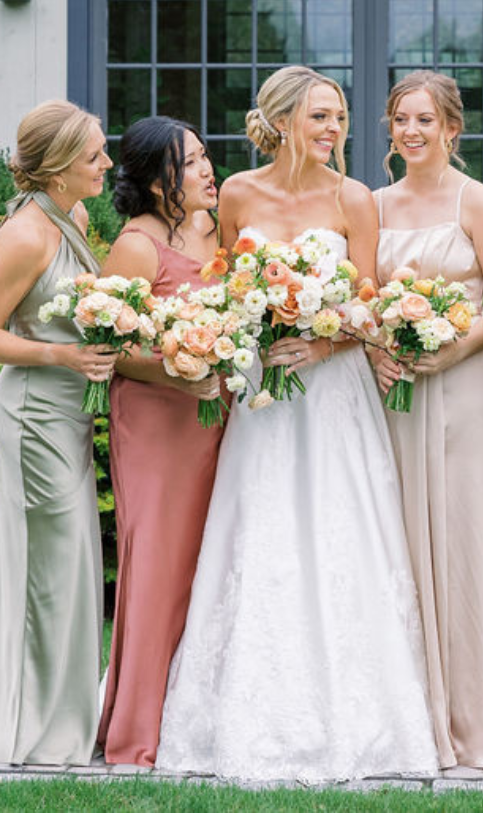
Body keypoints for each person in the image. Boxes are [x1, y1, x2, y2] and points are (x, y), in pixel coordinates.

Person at [156, 65, 437, 781]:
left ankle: (363, 715)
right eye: (319, 117)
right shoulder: (240, 194)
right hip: (262, 397)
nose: (333, 129)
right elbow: (221, 284)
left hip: (335, 393)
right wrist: (238, 333)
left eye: (339, 116)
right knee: (261, 529)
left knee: (341, 532)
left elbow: (368, 306)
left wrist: (322, 340)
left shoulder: (355, 199)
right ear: (282, 121)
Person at [371, 70, 483, 769]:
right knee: (393, 544)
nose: (411, 131)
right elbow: (357, 299)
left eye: (425, 120)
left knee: (466, 545)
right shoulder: (372, 205)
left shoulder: (478, 202)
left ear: (452, 129)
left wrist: (452, 348)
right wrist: (379, 349)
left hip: (465, 393)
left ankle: (476, 723)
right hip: (393, 396)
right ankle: (405, 717)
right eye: (401, 119)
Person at [0, 100, 114, 766]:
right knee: (47, 573)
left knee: (75, 563)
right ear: (56, 170)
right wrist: (61, 355)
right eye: (93, 156)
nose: (106, 164)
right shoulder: (26, 235)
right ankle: (35, 731)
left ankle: (67, 715)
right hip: (32, 415)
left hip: (70, 412)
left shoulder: (73, 218)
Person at [96, 117, 224, 766]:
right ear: (154, 180)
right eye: (191, 163)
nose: (207, 171)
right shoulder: (136, 248)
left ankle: (193, 715)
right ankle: (135, 732)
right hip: (155, 426)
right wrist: (179, 367)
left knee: (210, 562)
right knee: (155, 566)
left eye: (205, 157)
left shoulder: (217, 231)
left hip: (218, 423)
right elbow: (110, 349)